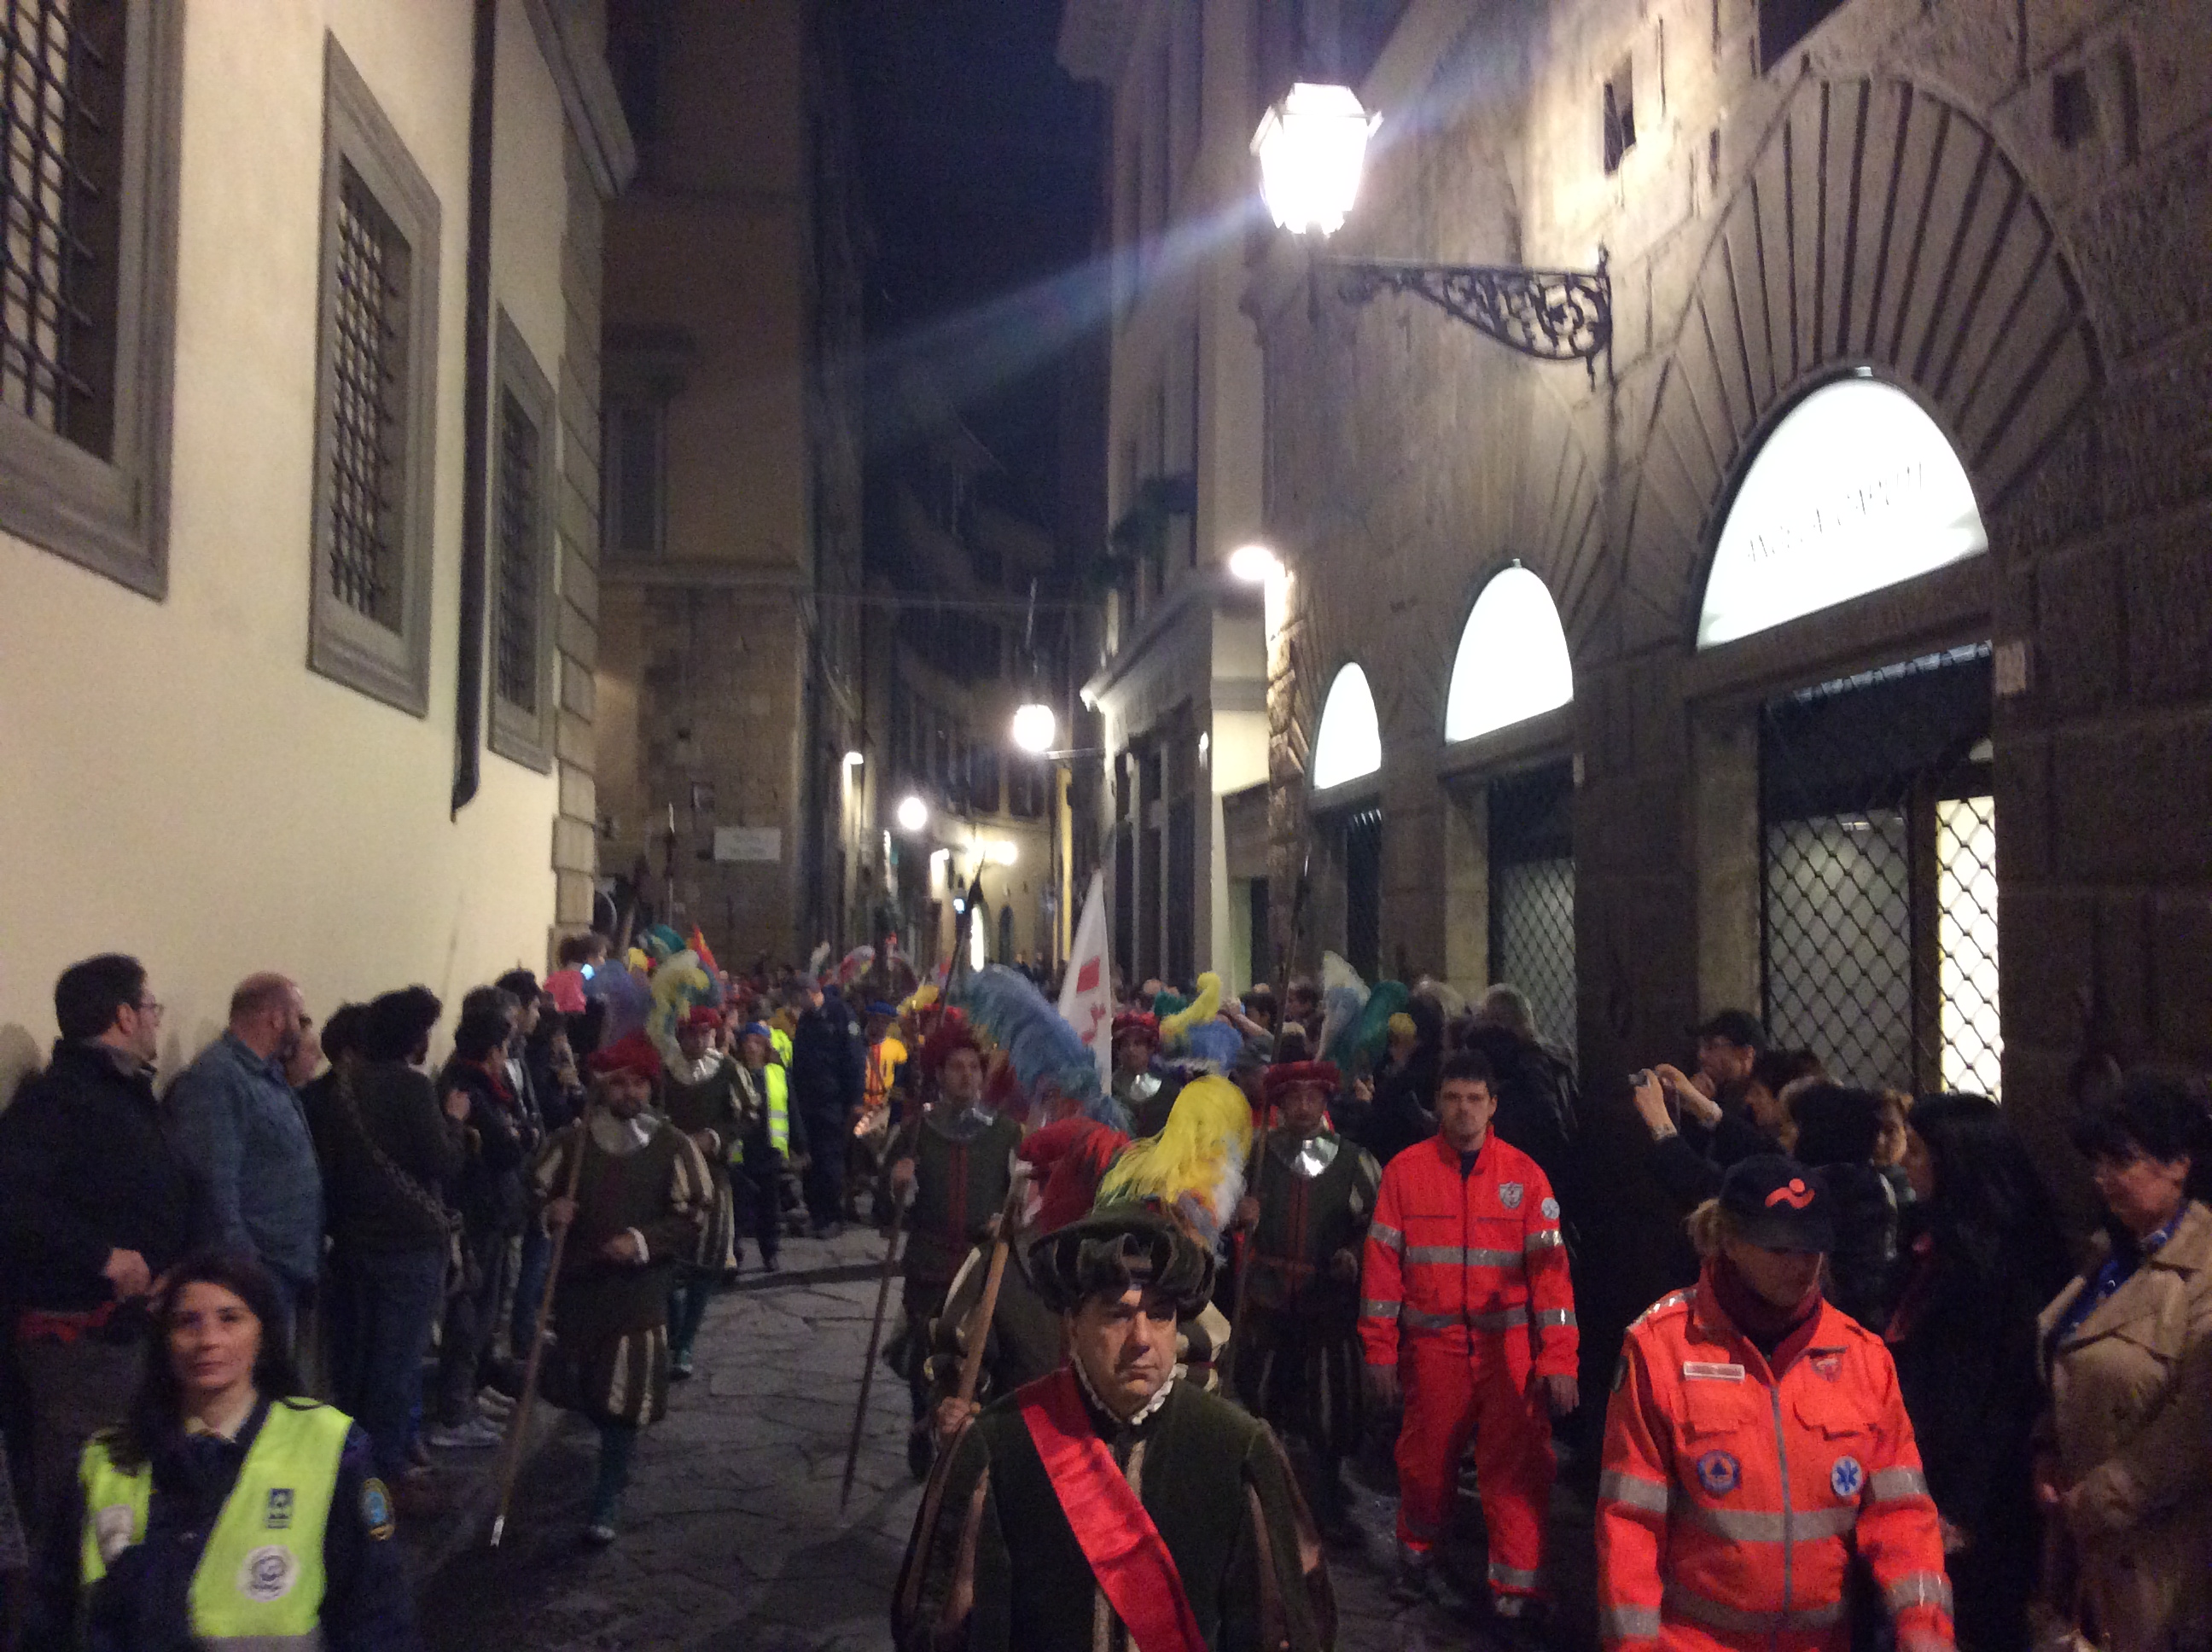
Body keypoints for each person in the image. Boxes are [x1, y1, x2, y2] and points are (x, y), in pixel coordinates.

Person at [893, 1205, 1336, 1652]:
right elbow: (946, 1629)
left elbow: (1280, 1631)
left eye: (1160, 1315)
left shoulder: (1238, 1449)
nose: (1142, 1338)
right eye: (1118, 1315)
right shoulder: (998, 1446)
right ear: (1072, 1325)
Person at [1597, 1155, 1953, 1651]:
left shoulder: (1861, 1359)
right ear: (1730, 1242)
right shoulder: (1661, 1350)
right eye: (1779, 1248)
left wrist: (1924, 1628)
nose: (1801, 1267)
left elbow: (1900, 1513)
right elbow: (1630, 1525)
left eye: (1813, 1249)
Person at [28, 1249, 412, 1651]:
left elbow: (377, 1613)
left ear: (263, 1335)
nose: (208, 1340)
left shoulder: (329, 1446)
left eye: (230, 1319)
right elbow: (51, 1615)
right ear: (165, 1342)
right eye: (187, 1322)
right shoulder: (106, 1460)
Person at [0, 956, 217, 1542]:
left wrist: (184, 1267)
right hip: (81, 1341)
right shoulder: (58, 1101)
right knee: (87, 1490)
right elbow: (16, 1203)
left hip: (133, 1329)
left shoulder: (124, 1093)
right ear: (124, 1015)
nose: (154, 1021)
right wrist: (103, 1257)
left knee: (128, 1487)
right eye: (151, 1008)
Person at [1359, 1050, 1578, 1614]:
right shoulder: (1405, 1173)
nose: (1463, 1110)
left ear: (1493, 1105)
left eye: (1474, 1100)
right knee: (1426, 1464)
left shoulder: (1525, 1178)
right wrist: (1379, 1353)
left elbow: (1552, 1281)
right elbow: (1382, 1272)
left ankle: (1516, 1589)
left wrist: (1559, 1361)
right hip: (1434, 1351)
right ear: (1438, 1103)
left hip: (1509, 1354)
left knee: (1516, 1470)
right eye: (1453, 1098)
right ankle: (1417, 1556)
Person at [1884, 1094, 2070, 1650]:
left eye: (1916, 1151)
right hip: (1919, 1473)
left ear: (1955, 1159)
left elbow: (2005, 1396)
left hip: (1979, 1499)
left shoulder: (2000, 1264)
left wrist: (1962, 1506)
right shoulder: (1930, 1241)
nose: (1904, 1164)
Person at [2034, 1073, 2212, 1652]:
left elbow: (2198, 1421)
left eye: (2123, 1161)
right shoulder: (2110, 1253)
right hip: (2087, 1543)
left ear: (2179, 1163)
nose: (2102, 1179)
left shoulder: (2202, 1270)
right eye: (2097, 1162)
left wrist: (2101, 1498)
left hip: (2158, 1548)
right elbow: (2067, 1357)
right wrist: (2046, 1450)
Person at [531, 1032, 712, 1544]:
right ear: (603, 1087)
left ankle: (607, 1494)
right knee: (585, 1389)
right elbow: (532, 1187)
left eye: (638, 1082)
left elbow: (694, 1211)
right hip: (581, 1289)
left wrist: (641, 1240)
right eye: (620, 1082)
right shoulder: (573, 1142)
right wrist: (549, 1211)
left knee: (624, 1397)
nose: (630, 1092)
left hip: (638, 1292)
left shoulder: (672, 1146)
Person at [320, 987, 463, 1519]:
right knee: (397, 1363)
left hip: (356, 1243)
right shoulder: (411, 1087)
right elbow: (440, 1160)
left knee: (359, 1362)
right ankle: (384, 1480)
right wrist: (454, 1122)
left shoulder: (346, 1090)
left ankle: (362, 1467)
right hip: (408, 1245)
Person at [1231, 1059, 1381, 1534]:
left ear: (1324, 1101)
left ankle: (1327, 1497)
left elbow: (1375, 1226)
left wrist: (1353, 1255)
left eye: (1311, 1097)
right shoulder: (1256, 1155)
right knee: (1263, 1398)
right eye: (1293, 1098)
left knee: (1329, 1407)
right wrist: (1238, 1210)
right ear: (1279, 1103)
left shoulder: (1355, 1161)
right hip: (1269, 1299)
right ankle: (1262, 1496)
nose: (1302, 1106)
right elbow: (1217, 1209)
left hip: (1326, 1305)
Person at [886, 1030, 1022, 1480]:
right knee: (922, 1354)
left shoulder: (1006, 1133)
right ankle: (920, 1425)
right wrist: (899, 1187)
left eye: (973, 1068)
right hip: (928, 1262)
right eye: (957, 1068)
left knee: (979, 1357)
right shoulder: (916, 1131)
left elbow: (1022, 1200)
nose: (966, 1076)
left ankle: (970, 1439)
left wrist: (1006, 1219)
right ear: (939, 1074)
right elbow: (884, 1212)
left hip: (982, 1268)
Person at [166, 974, 323, 1340]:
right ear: (275, 1018)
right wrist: (247, 1270)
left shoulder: (266, 1075)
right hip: (257, 1274)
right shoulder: (218, 1077)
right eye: (298, 1018)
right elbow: (214, 1182)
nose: (301, 1030)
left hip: (285, 1267)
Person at [427, 992, 527, 1450]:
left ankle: (474, 1388)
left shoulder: (485, 1088)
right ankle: (455, 1408)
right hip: (476, 1215)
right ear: (491, 1052)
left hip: (495, 1214)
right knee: (468, 1314)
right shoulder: (466, 1088)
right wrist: (516, 1135)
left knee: (487, 1310)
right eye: (503, 1048)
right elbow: (505, 1147)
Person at [1632, 1045, 1823, 1212]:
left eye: (1757, 1092)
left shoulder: (1804, 1174)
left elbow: (1716, 1191)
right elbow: (1760, 1148)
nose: (1748, 1100)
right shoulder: (1796, 1150)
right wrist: (1701, 1105)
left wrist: (1660, 1124)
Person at [661, 1008, 742, 1377]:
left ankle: (686, 1340)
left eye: (702, 1034)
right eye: (689, 1034)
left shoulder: (727, 1072)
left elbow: (749, 1117)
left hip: (712, 1176)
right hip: (669, 1177)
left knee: (707, 1260)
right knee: (669, 1259)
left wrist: (716, 1137)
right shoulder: (665, 1073)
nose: (696, 1041)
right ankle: (673, 1334)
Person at [1780, 1084, 1900, 1331]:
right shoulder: (1877, 1181)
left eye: (1795, 1125)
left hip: (1827, 1317)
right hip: (1872, 1311)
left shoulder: (1809, 1189)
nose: (1787, 1134)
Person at [789, 981, 864, 1237]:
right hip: (807, 1101)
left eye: (799, 997)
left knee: (830, 1159)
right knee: (810, 1161)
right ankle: (816, 1213)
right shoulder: (807, 1020)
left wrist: (855, 1100)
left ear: (810, 992)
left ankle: (832, 1216)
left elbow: (854, 1060)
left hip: (833, 1103)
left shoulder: (840, 1014)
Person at [729, 1022, 789, 1272]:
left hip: (769, 1150)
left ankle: (770, 1251)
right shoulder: (732, 1073)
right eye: (748, 1042)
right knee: (739, 1208)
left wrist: (801, 1145)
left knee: (769, 1206)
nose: (752, 1047)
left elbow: (791, 1109)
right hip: (741, 1151)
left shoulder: (777, 1073)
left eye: (758, 1042)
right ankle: (734, 1253)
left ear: (766, 1047)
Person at [1109, 1011, 1180, 1137]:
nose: (1131, 1050)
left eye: (1137, 1044)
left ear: (1150, 1048)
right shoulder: (1108, 1090)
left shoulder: (1169, 1091)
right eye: (1125, 1044)